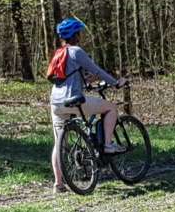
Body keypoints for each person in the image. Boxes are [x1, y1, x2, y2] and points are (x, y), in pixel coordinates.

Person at [47, 17, 125, 193]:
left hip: (55, 103)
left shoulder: (58, 53)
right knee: (111, 108)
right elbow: (96, 70)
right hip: (73, 100)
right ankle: (107, 145)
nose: (80, 36)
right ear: (75, 35)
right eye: (79, 33)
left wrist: (87, 83)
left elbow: (71, 77)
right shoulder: (76, 51)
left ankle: (58, 184)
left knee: (59, 142)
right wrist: (115, 83)